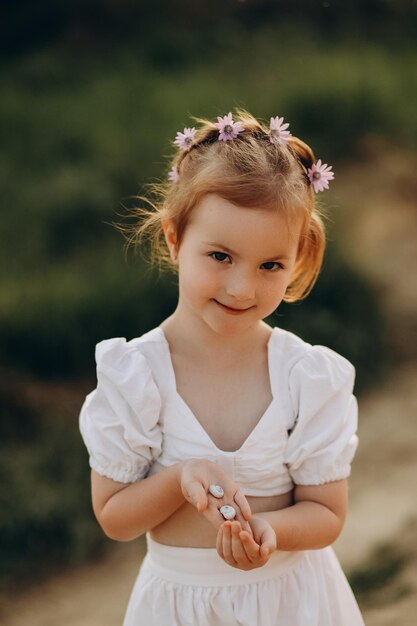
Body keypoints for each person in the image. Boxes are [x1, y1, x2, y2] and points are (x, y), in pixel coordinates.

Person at [79, 109, 365, 625]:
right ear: (174, 238)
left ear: (297, 259)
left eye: (270, 265)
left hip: (291, 603)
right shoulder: (137, 375)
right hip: (180, 607)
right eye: (220, 256)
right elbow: (114, 516)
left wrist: (274, 534)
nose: (241, 288)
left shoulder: (306, 378)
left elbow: (328, 513)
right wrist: (180, 478)